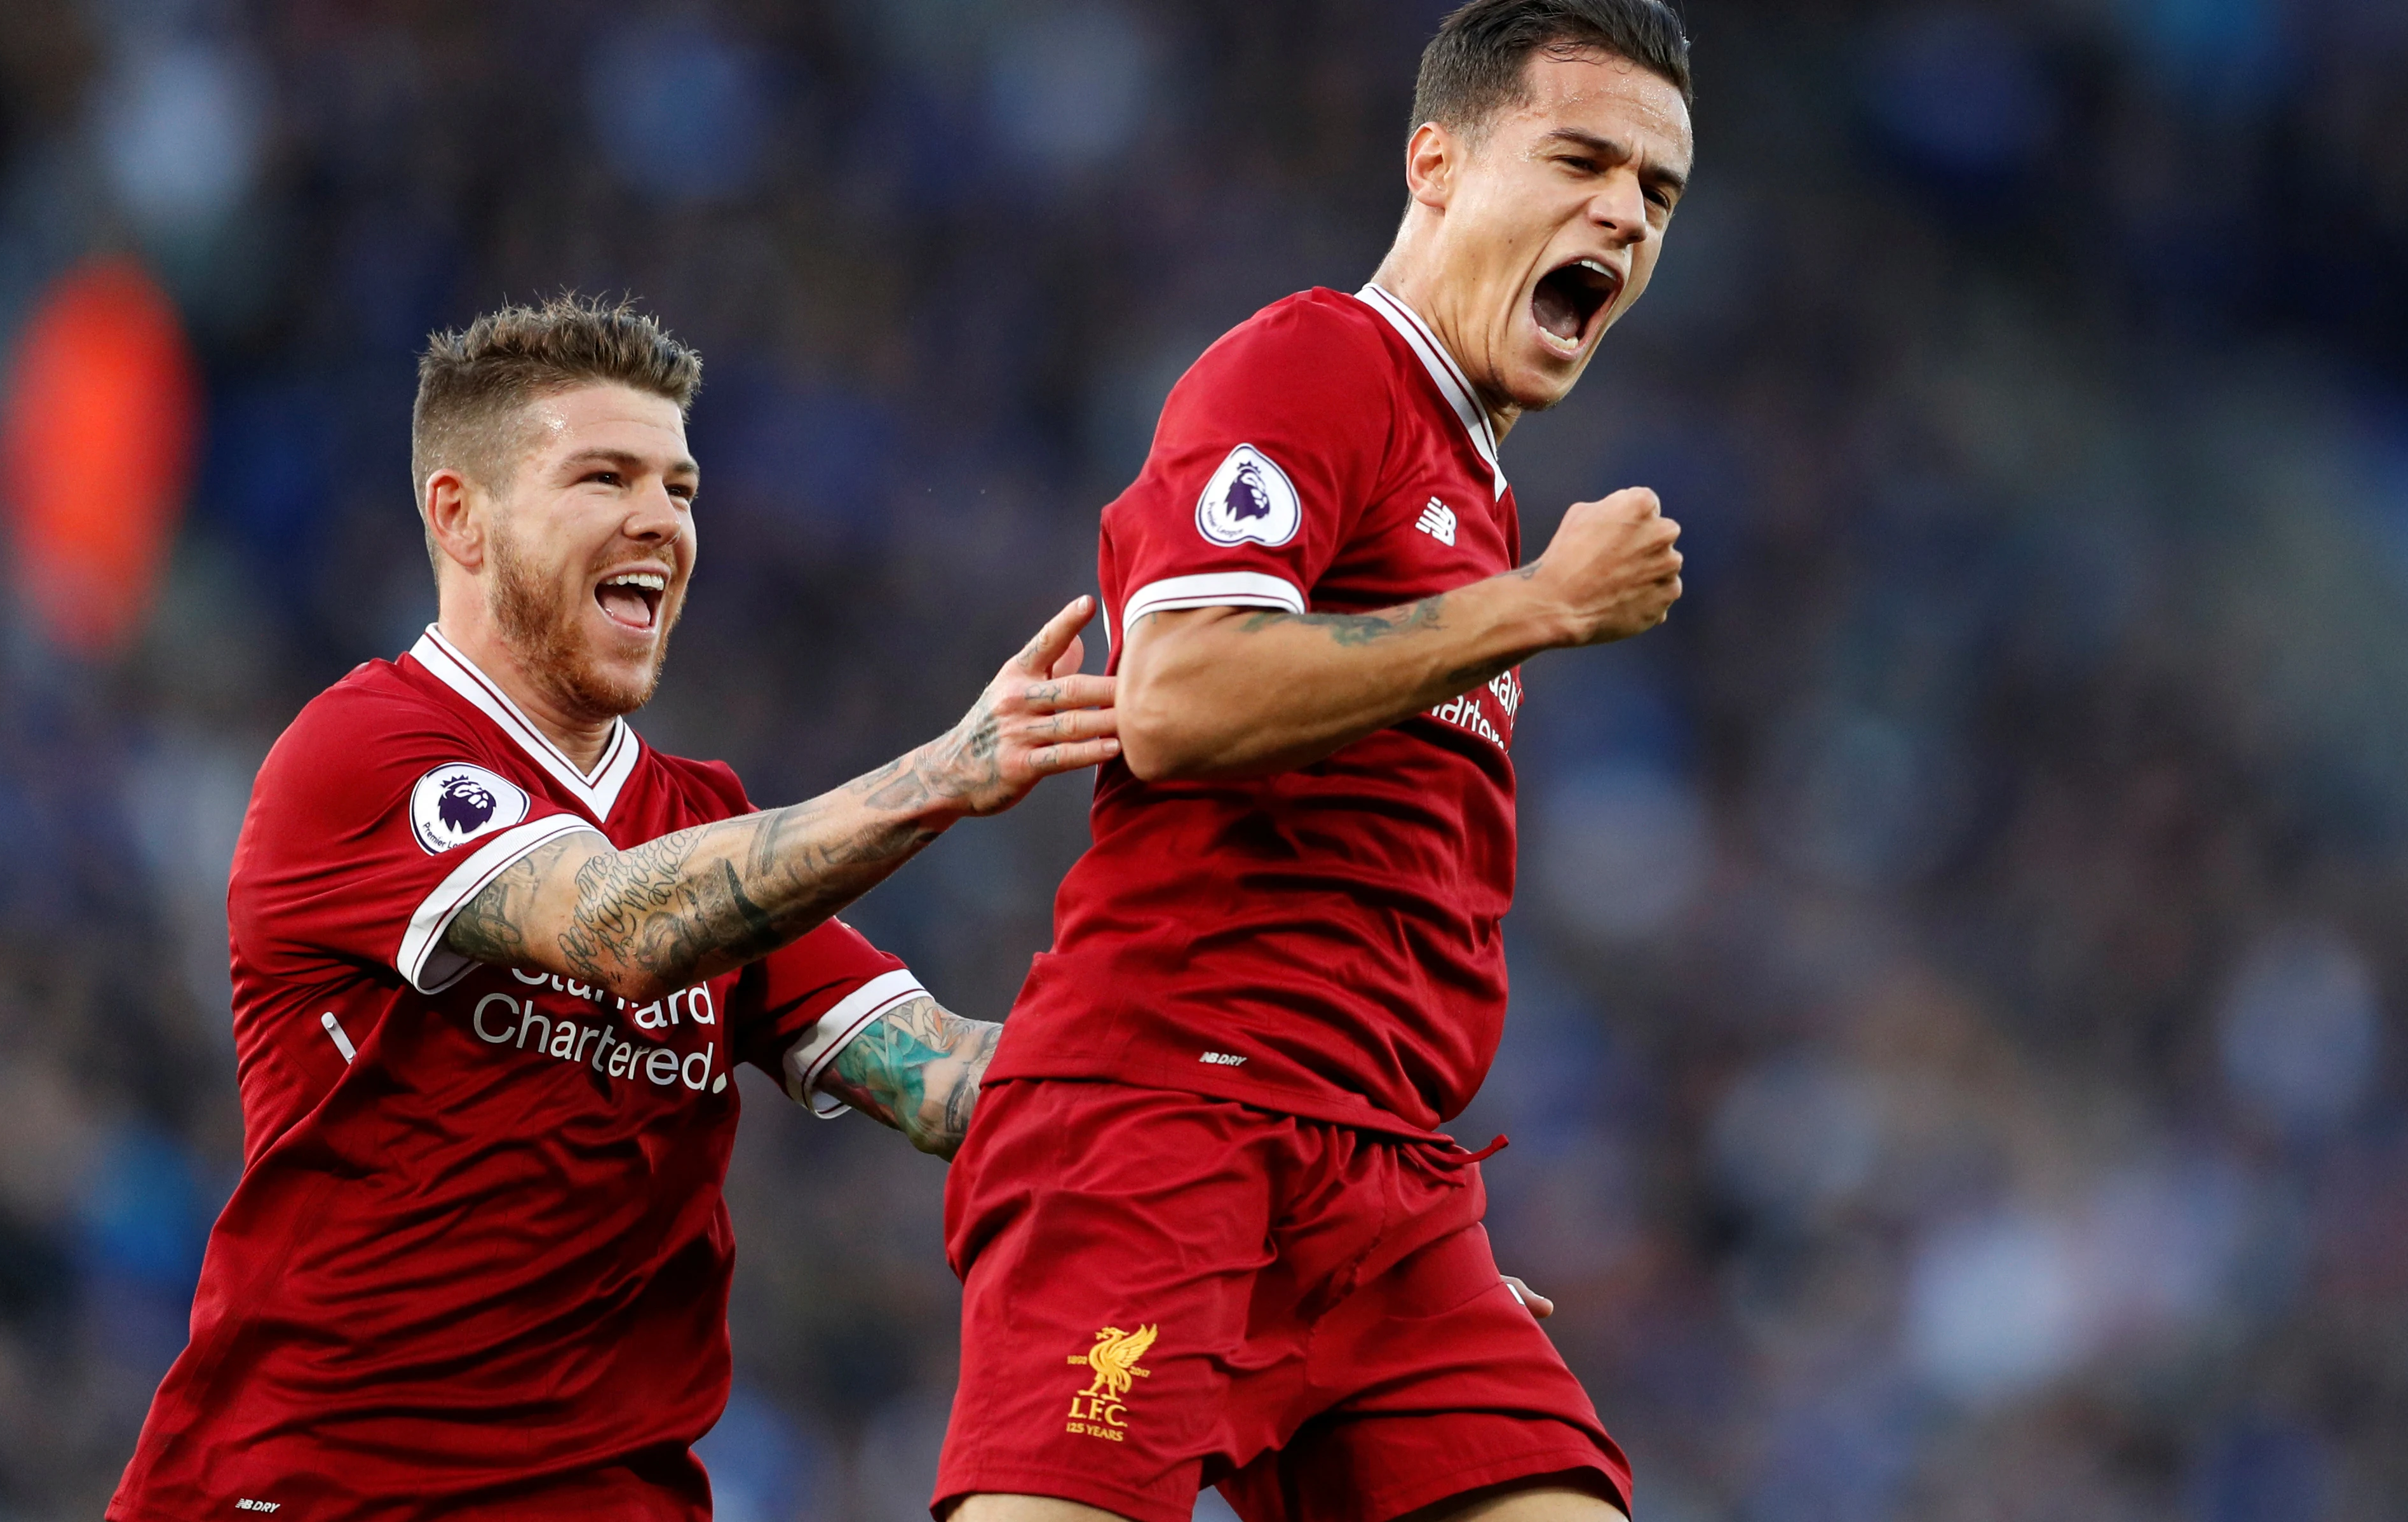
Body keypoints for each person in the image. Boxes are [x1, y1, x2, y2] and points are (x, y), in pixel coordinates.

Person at [109, 297, 1119, 1520]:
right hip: (324, 1488)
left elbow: (955, 1083)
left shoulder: (705, 821)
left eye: (681, 488)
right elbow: (619, 926)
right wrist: (941, 777)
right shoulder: (363, 753)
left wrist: (1222, 1058)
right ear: (459, 516)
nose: (663, 520)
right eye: (606, 476)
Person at [935, 2, 1693, 1519]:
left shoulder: (1464, 477)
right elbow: (1180, 697)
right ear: (1435, 163)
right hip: (1161, 1123)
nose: (1623, 210)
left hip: (1385, 1193)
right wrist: (1539, 604)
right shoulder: (1315, 363)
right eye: (1582, 159)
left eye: (1658, 191)